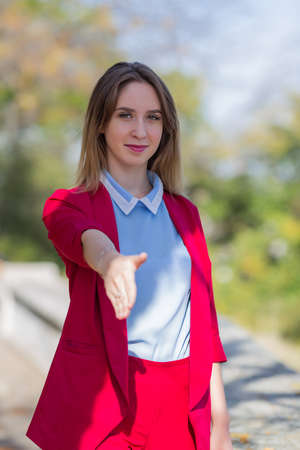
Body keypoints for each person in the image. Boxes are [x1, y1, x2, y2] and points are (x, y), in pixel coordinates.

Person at [26, 61, 233, 450]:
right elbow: (85, 240)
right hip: (106, 401)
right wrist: (110, 261)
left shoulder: (184, 213)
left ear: (165, 128)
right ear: (100, 124)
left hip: (181, 400)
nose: (141, 131)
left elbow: (201, 318)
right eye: (125, 115)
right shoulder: (68, 205)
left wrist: (218, 414)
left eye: (152, 117)